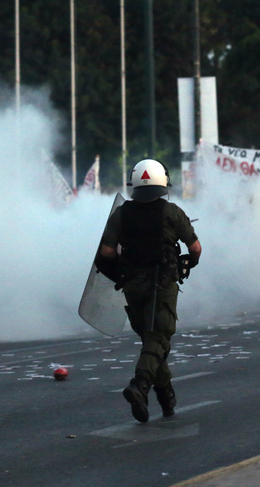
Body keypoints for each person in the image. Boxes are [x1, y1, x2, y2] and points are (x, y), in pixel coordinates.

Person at [94, 159, 201, 423]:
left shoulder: (122, 214)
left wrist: (121, 270)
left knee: (150, 340)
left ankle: (166, 398)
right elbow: (195, 248)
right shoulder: (172, 212)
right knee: (160, 338)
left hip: (132, 285)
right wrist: (188, 262)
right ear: (163, 182)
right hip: (162, 284)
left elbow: (106, 252)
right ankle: (140, 385)